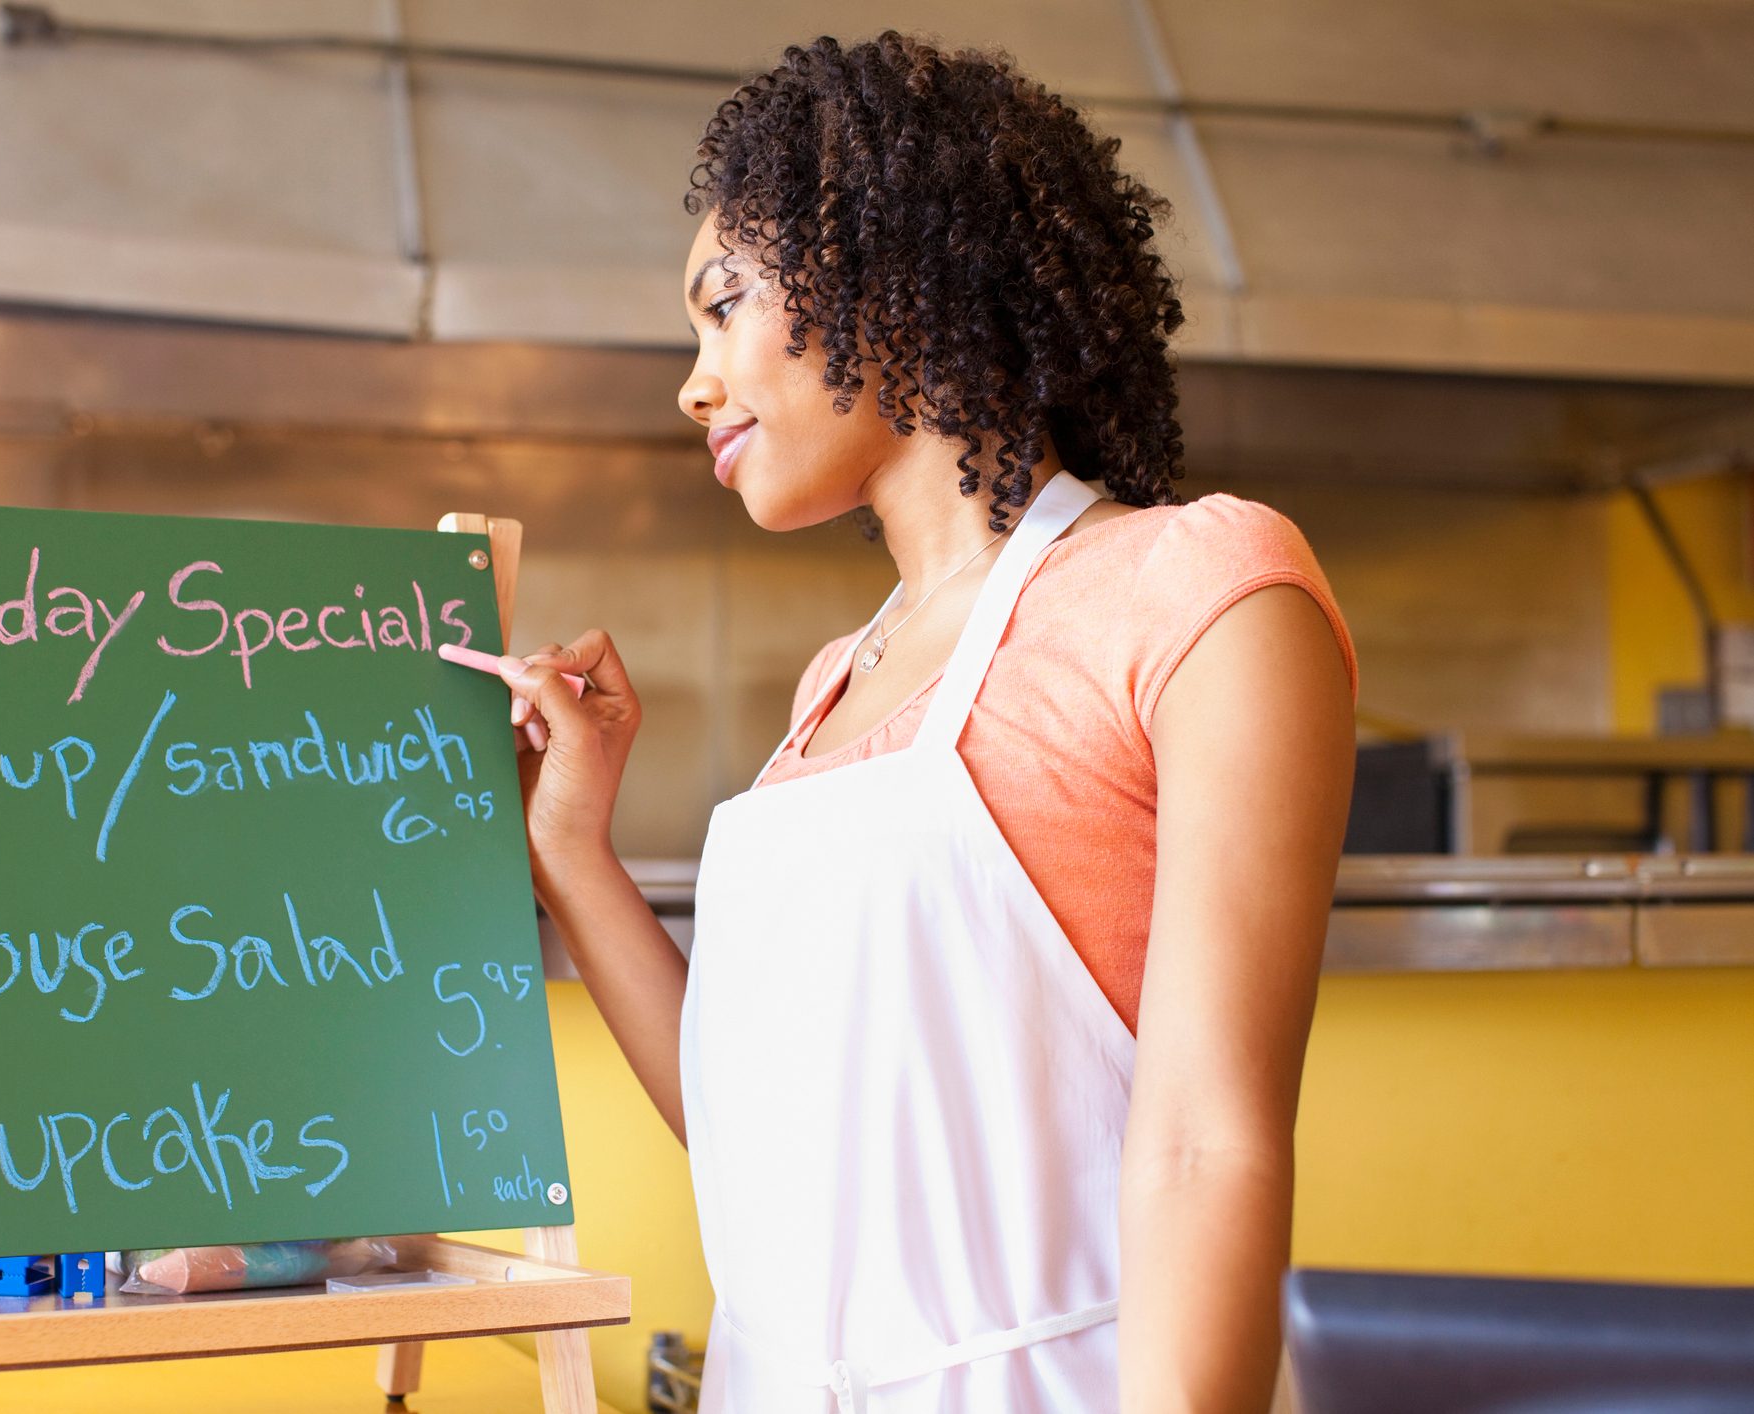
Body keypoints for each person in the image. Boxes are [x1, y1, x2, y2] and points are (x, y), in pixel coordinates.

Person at [494, 30, 1358, 1414]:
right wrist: (574, 851)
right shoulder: (836, 680)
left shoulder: (1200, 586)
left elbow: (1207, 1144)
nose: (692, 381)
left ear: (888, 280)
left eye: (722, 307)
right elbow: (751, 1143)